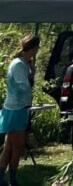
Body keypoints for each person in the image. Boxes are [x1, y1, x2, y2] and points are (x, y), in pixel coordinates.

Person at [0, 35, 40, 186]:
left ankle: (5, 179)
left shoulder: (22, 63)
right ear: (34, 49)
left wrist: (31, 70)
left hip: (15, 107)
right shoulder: (19, 65)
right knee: (17, 147)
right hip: (16, 108)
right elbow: (24, 86)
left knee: (9, 146)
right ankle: (12, 180)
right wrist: (32, 73)